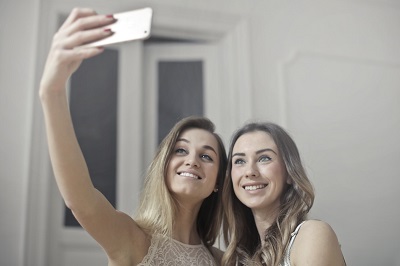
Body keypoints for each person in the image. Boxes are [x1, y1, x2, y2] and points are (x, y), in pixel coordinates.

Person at [39, 7, 227, 265]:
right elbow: (81, 202)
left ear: (218, 180)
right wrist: (52, 92)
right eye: (180, 150)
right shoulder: (131, 238)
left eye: (206, 156)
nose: (191, 160)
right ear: (163, 165)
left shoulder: (223, 260)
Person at [221, 122, 346, 266]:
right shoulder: (237, 259)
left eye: (264, 158)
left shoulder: (312, 234)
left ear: (289, 173)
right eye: (240, 161)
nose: (250, 171)